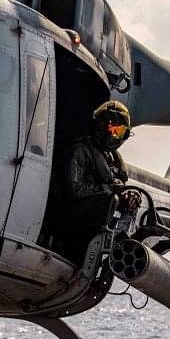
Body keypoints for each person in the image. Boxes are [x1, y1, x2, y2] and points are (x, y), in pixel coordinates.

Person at [54, 100, 134, 258]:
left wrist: (129, 195)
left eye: (120, 133)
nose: (116, 136)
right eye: (114, 130)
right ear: (102, 126)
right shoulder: (80, 150)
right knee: (107, 199)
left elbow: (119, 186)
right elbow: (73, 190)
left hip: (93, 219)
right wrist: (108, 189)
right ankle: (76, 252)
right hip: (70, 221)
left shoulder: (113, 159)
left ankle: (114, 249)